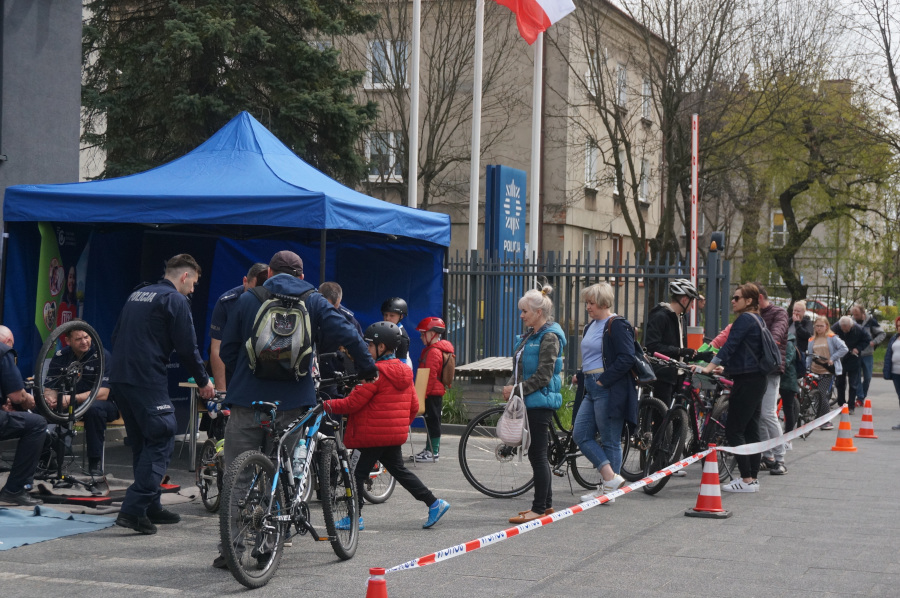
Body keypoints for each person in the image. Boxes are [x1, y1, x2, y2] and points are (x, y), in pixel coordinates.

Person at [215, 250, 376, 568]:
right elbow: (348, 334)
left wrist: (249, 374)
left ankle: (230, 549)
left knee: (238, 476)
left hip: (248, 401)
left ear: (270, 273)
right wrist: (368, 367)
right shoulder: (313, 301)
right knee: (286, 475)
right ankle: (269, 546)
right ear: (302, 277)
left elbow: (229, 350)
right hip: (293, 404)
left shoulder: (248, 300)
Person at [109, 254, 215, 535]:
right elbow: (188, 348)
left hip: (121, 377)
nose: (193, 290)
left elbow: (115, 335)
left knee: (144, 443)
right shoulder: (175, 300)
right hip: (146, 377)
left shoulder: (138, 293)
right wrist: (204, 382)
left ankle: (150, 505)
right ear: (184, 276)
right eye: (193, 283)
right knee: (162, 434)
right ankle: (133, 510)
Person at [323, 321, 450, 530]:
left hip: (371, 437)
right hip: (391, 436)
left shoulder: (375, 373)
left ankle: (355, 518)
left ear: (381, 347)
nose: (367, 350)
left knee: (355, 475)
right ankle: (434, 503)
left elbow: (352, 404)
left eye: (370, 346)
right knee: (400, 471)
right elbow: (414, 406)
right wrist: (399, 426)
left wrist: (325, 405)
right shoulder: (404, 371)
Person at [502, 286, 567, 524]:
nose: (521, 315)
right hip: (528, 400)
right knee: (537, 455)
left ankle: (538, 508)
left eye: (524, 311)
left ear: (539, 312)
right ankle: (546, 505)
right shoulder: (530, 335)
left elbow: (544, 376)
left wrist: (517, 389)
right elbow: (518, 368)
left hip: (540, 402)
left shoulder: (549, 337)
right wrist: (510, 387)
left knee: (538, 456)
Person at [696, 283, 769, 493]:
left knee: (735, 429)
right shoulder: (758, 319)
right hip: (757, 379)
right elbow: (746, 352)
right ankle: (752, 478)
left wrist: (709, 368)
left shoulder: (745, 319)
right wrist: (724, 369)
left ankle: (746, 479)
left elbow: (730, 346)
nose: (733, 301)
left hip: (747, 381)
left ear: (749, 301)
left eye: (737, 298)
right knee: (751, 429)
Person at [573, 283, 637, 503]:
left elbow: (626, 358)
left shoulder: (617, 324)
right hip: (591, 385)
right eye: (587, 303)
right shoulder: (591, 326)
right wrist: (582, 374)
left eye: (591, 303)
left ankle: (608, 491)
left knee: (610, 440)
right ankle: (610, 479)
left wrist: (602, 381)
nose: (588, 307)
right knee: (580, 434)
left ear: (602, 303)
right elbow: (593, 356)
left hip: (606, 387)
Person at [43, 321, 117, 476]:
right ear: (68, 341)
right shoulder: (61, 356)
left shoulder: (102, 356)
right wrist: (51, 399)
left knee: (94, 410)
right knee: (40, 407)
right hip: (70, 402)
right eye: (78, 339)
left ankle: (94, 463)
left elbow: (103, 393)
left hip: (103, 404)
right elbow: (50, 387)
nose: (84, 341)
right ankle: (45, 458)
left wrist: (70, 399)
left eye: (86, 337)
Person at [0, 326, 46, 506]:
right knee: (37, 423)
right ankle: (15, 489)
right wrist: (29, 400)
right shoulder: (4, 351)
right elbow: (18, 396)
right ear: (10, 342)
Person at [208, 262, 268, 392]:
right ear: (245, 281)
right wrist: (222, 392)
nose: (255, 297)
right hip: (234, 371)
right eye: (251, 291)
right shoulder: (226, 302)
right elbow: (216, 349)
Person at [644, 279, 701, 404]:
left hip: (678, 376)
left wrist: (699, 355)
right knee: (662, 418)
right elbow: (652, 346)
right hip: (663, 376)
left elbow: (680, 347)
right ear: (684, 300)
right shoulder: (660, 316)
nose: (692, 307)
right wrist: (680, 351)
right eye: (691, 302)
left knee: (678, 416)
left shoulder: (680, 318)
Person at [756, 285, 789, 475]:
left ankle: (780, 458)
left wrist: (766, 343)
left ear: (759, 298)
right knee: (759, 413)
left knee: (768, 413)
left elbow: (777, 334)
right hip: (754, 369)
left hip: (771, 369)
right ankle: (767, 455)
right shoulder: (753, 314)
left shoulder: (779, 313)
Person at [413, 317, 456, 463]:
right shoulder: (433, 350)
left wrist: (421, 395)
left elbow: (430, 376)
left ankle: (433, 452)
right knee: (431, 421)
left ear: (432, 334)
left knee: (433, 421)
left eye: (423, 333)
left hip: (432, 393)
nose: (421, 337)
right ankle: (429, 450)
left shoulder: (434, 352)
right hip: (432, 392)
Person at [807, 316, 847, 431]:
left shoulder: (832, 337)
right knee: (814, 395)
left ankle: (826, 421)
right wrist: (807, 369)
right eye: (817, 326)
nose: (819, 328)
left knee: (822, 394)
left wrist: (832, 358)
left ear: (826, 327)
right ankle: (818, 418)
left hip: (827, 371)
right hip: (815, 370)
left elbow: (844, 348)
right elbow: (809, 356)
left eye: (821, 326)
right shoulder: (812, 339)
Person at [831, 315, 871, 415]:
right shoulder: (836, 327)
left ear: (851, 326)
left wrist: (858, 348)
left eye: (847, 329)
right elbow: (829, 338)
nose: (844, 331)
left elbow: (867, 339)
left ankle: (851, 405)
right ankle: (841, 405)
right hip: (841, 358)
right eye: (843, 329)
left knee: (853, 384)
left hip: (854, 357)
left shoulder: (858, 329)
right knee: (840, 383)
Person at [850, 304, 885, 407]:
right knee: (856, 377)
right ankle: (860, 398)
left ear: (863, 313)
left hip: (868, 353)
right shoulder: (852, 322)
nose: (855, 316)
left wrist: (874, 342)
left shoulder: (871, 321)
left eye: (857, 314)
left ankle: (863, 395)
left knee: (868, 377)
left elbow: (882, 333)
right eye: (854, 315)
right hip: (856, 353)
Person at [779, 331, 799, 448]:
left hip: (787, 381)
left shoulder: (789, 343)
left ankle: (788, 436)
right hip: (781, 379)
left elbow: (786, 361)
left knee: (788, 408)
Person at [881, 316, 900, 430]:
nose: (899, 328)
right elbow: (889, 354)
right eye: (898, 326)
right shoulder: (894, 338)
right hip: (896, 372)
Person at [381, 297, 411, 365]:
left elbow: (402, 363)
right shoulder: (385, 330)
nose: (387, 318)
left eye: (392, 315)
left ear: (401, 317)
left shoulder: (401, 335)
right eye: (385, 315)